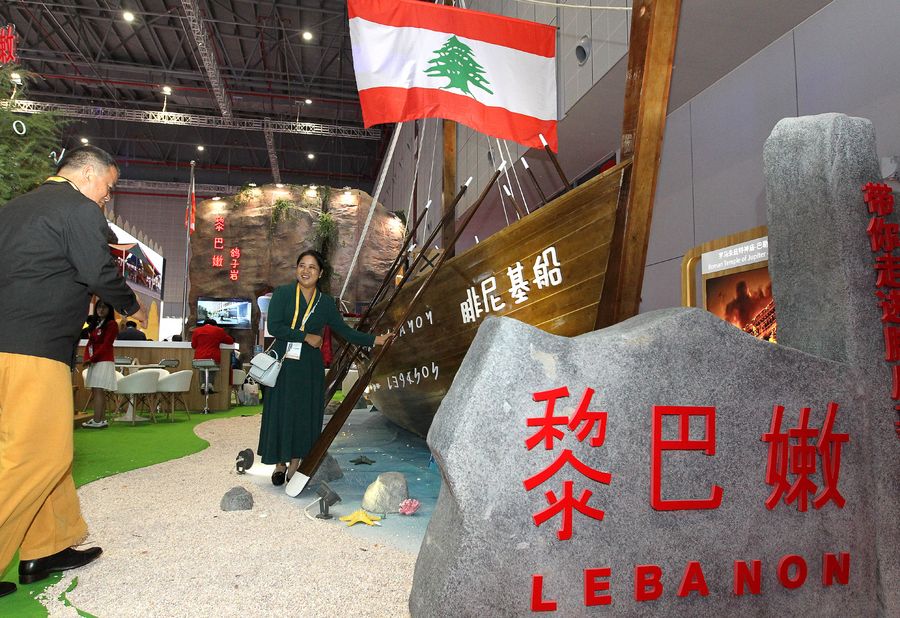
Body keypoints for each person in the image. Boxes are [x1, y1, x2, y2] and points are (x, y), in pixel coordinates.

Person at [0, 146, 147, 598]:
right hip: (35, 349)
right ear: (86, 174)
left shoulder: (14, 209)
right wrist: (131, 305)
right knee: (35, 457)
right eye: (108, 186)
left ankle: (47, 546)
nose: (107, 196)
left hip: (8, 347)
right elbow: (99, 272)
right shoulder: (78, 209)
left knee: (45, 451)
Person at [257, 250, 392, 486]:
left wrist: (376, 340)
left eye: (312, 267)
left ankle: (296, 463)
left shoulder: (326, 303)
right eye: (302, 265)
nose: (306, 270)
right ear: (296, 269)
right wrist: (306, 336)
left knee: (303, 413)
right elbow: (275, 327)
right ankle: (279, 464)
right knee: (281, 411)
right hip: (282, 364)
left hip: (308, 368)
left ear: (320, 274)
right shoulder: (283, 294)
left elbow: (345, 331)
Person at [81, 301, 119, 429]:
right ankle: (101, 419)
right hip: (94, 360)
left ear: (109, 309)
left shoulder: (111, 324)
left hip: (103, 360)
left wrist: (91, 359)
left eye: (104, 307)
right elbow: (90, 343)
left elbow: (106, 345)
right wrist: (87, 358)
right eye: (99, 307)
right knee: (97, 390)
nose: (101, 310)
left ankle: (98, 420)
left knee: (98, 390)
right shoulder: (96, 324)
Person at [190, 319, 234, 393]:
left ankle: (203, 385)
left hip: (199, 358)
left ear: (204, 324)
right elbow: (230, 341)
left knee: (202, 367)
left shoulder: (197, 330)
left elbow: (194, 345)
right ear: (215, 325)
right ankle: (209, 385)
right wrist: (219, 340)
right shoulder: (219, 330)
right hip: (213, 357)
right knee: (212, 366)